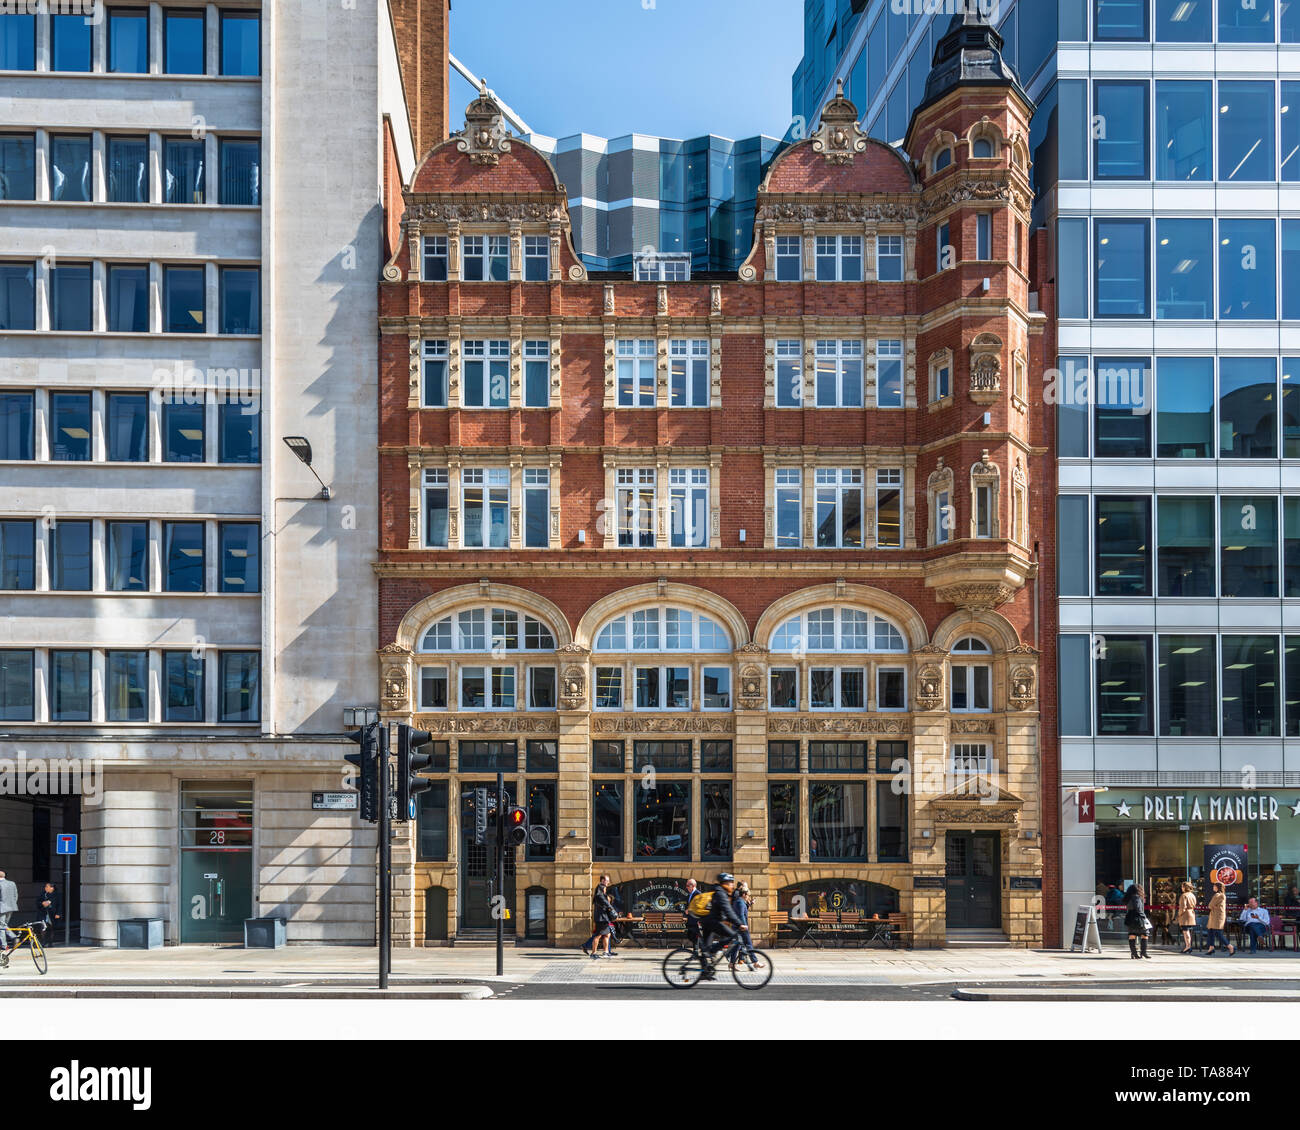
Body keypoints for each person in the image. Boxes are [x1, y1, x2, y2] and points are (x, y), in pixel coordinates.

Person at [700, 873, 744, 978]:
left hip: (708, 921)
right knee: (732, 936)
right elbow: (728, 911)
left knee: (706, 949)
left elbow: (726, 913)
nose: (732, 885)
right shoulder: (721, 893)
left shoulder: (719, 891)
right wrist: (739, 924)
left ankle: (705, 972)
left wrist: (733, 921)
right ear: (725, 883)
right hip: (712, 922)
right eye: (731, 882)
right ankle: (714, 951)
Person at [582, 879, 617, 959]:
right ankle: (593, 953)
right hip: (601, 919)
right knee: (598, 936)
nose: (605, 889)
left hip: (604, 918)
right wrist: (613, 910)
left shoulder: (601, 896)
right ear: (601, 889)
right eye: (604, 888)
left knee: (607, 935)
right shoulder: (600, 896)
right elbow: (607, 904)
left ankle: (606, 952)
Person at [1205, 882, 1234, 956]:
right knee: (1211, 931)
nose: (1213, 887)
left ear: (1217, 887)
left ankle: (1230, 947)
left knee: (1218, 933)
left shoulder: (1218, 895)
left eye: (1214, 886)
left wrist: (1213, 907)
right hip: (1215, 916)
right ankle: (1211, 948)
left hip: (1217, 917)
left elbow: (1210, 905)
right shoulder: (1221, 895)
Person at [732, 880, 757, 963]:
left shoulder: (740, 900)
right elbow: (740, 914)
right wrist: (744, 925)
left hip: (738, 925)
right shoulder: (739, 900)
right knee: (748, 943)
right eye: (747, 895)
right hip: (741, 926)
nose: (748, 897)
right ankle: (755, 961)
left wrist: (749, 904)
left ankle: (734, 962)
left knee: (737, 945)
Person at [1124, 883, 1150, 959]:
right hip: (1137, 917)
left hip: (1130, 917)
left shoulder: (1128, 898)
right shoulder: (1136, 897)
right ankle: (1143, 952)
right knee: (1145, 934)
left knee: (1132, 935)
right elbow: (1138, 909)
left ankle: (1134, 953)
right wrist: (1144, 918)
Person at [0, 869, 18, 964]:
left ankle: (4, 944)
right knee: (3, 925)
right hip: (11, 907)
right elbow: (16, 895)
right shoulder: (12, 883)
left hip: (1, 908)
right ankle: (10, 939)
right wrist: (13, 904)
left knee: (1, 926)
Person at [1176, 881, 1197, 954]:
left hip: (1185, 914)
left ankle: (1188, 946)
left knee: (1185, 931)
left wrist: (1179, 914)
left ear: (1185, 887)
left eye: (1182, 886)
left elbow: (1183, 907)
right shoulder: (1192, 895)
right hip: (1191, 913)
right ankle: (1188, 946)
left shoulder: (1184, 895)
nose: (1181, 888)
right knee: (1187, 930)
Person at [682, 878, 703, 950]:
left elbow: (699, 906)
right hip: (691, 919)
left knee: (694, 936)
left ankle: (696, 951)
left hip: (696, 919)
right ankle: (700, 949)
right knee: (690, 935)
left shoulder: (698, 894)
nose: (686, 887)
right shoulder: (690, 894)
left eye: (688, 885)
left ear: (693, 885)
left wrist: (690, 910)